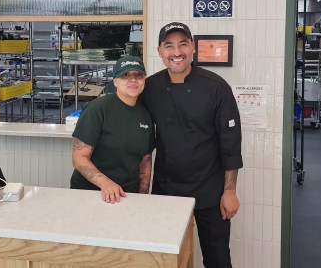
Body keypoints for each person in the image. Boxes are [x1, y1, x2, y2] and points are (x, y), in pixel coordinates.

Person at [142, 22, 243, 268]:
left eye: (183, 44)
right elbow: (137, 131)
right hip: (167, 190)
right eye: (169, 46)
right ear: (159, 51)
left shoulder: (216, 87)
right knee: (168, 258)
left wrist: (229, 191)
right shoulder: (150, 87)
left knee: (217, 258)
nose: (176, 52)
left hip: (210, 190)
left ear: (193, 48)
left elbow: (230, 143)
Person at [70, 55, 154, 204]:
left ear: (144, 80)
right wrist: (106, 183)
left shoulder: (146, 115)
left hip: (127, 196)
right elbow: (79, 158)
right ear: (115, 81)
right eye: (125, 75)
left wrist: (143, 196)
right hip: (90, 195)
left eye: (138, 75)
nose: (133, 79)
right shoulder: (98, 108)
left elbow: (145, 161)